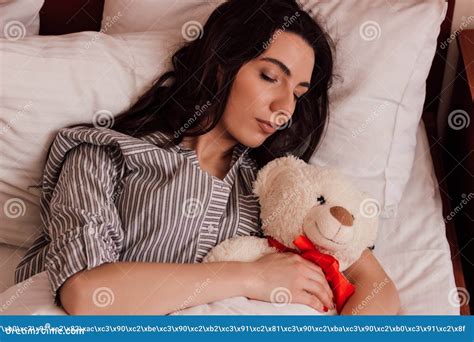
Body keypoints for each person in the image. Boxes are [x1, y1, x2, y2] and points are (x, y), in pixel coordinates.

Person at [15, 0, 399, 315]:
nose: (284, 107)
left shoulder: (278, 188)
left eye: (298, 93)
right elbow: (86, 294)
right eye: (269, 76)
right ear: (220, 67)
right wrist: (253, 278)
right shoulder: (104, 153)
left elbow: (377, 286)